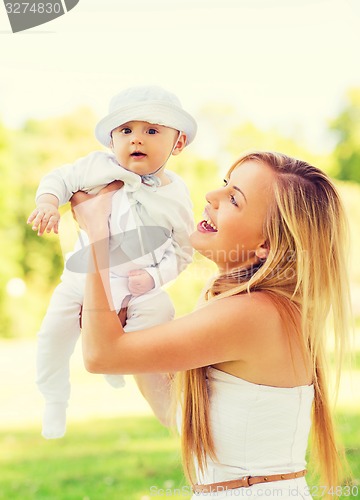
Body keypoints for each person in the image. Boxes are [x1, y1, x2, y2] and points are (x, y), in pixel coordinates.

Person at [71, 150, 352, 499]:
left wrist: (99, 233)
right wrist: (135, 325)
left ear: (265, 244)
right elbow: (174, 412)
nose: (212, 197)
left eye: (234, 199)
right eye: (224, 185)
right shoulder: (250, 307)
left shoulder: (254, 313)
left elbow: (101, 356)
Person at [27, 85, 197, 439]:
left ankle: (119, 357)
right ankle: (55, 399)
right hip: (83, 277)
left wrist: (153, 279)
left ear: (177, 144)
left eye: (151, 131)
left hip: (137, 283)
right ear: (111, 139)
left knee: (159, 312)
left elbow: (182, 250)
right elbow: (58, 178)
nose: (137, 139)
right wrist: (47, 202)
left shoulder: (176, 195)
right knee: (51, 335)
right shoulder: (96, 166)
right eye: (125, 131)